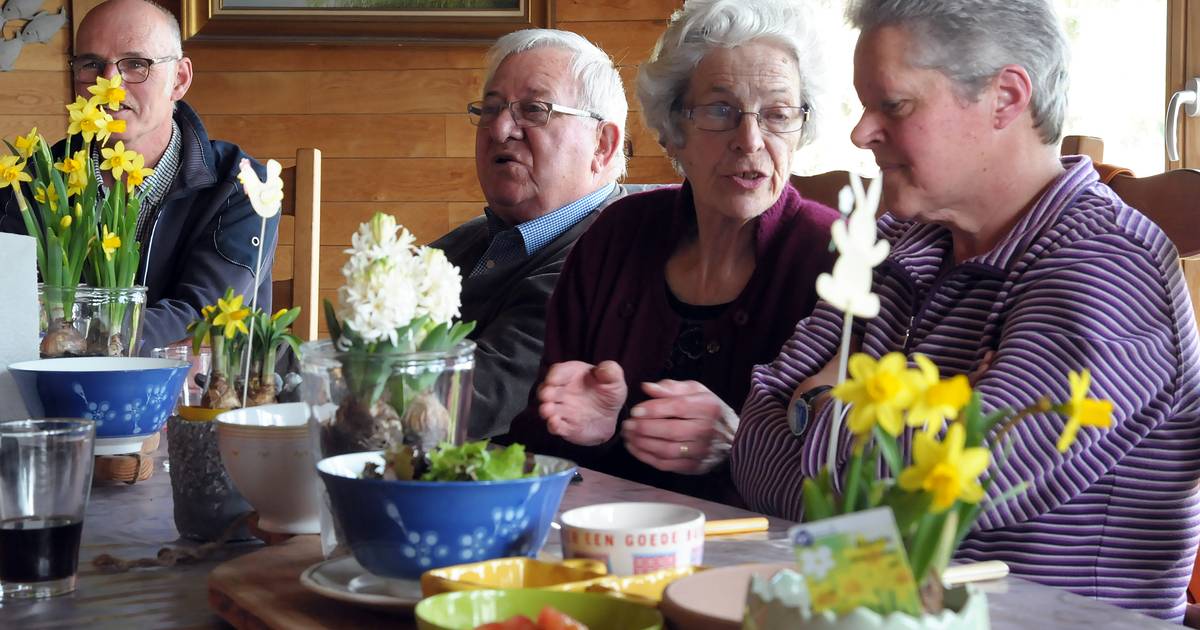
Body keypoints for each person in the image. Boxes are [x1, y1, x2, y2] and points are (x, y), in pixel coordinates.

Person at [731, 0, 1200, 622]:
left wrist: (815, 404)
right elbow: (752, 451)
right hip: (864, 610)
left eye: (892, 104)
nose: (860, 131)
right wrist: (882, 436)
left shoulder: (1104, 267)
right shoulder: (901, 241)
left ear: (1005, 97)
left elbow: (927, 505)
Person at [504, 0, 839, 504]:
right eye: (721, 111)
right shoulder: (617, 235)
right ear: (675, 129)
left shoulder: (836, 260)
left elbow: (850, 475)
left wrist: (740, 442)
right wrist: (576, 423)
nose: (750, 140)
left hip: (759, 562)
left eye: (777, 115)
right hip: (604, 540)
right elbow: (539, 437)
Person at [0, 0, 277, 354]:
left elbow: (202, 314)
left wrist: (89, 344)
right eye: (91, 64)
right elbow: (10, 304)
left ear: (179, 79)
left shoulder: (241, 185)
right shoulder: (35, 181)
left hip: (195, 397)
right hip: (56, 395)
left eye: (136, 64)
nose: (110, 83)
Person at [431, 29, 627, 440]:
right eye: (490, 109)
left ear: (603, 146)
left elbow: (473, 402)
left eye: (535, 110)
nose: (501, 128)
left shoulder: (607, 254)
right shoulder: (460, 246)